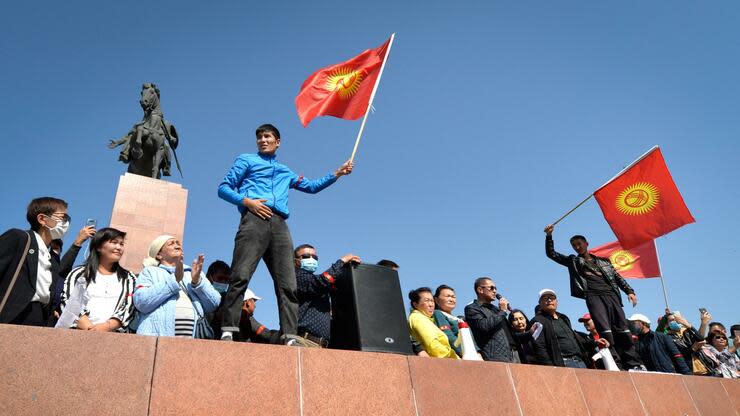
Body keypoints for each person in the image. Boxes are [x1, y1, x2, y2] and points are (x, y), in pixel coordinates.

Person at [217, 123, 353, 343]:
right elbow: (223, 188)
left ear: (277, 141)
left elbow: (311, 186)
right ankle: (228, 327)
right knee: (241, 274)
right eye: (259, 137)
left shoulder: (285, 171)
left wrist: (337, 173)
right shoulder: (246, 160)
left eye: (267, 136)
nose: (262, 140)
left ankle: (289, 334)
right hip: (254, 219)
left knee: (287, 283)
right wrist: (247, 202)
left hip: (280, 225)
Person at [544, 224, 643, 370]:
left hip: (611, 295)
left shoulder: (604, 261)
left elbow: (617, 277)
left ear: (586, 244)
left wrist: (630, 291)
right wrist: (549, 236)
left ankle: (635, 364)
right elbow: (552, 254)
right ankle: (617, 364)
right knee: (605, 330)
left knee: (623, 329)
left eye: (579, 244)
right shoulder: (574, 261)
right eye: (574, 245)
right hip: (593, 296)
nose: (577, 247)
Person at [0, 197, 70, 326]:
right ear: (42, 219)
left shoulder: (52, 260)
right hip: (12, 314)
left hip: (39, 319)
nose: (66, 223)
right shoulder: (19, 238)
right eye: (63, 218)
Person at [133, 235, 221, 338]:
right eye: (171, 243)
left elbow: (213, 304)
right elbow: (141, 302)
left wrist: (197, 282)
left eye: (178, 243)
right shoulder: (149, 272)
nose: (177, 246)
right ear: (159, 255)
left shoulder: (193, 272)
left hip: (192, 343)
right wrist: (174, 280)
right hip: (157, 340)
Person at [59, 228, 136, 332]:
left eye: (121, 244)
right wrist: (90, 329)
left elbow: (129, 307)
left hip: (115, 337)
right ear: (99, 247)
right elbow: (68, 300)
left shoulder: (129, 278)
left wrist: (105, 327)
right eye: (114, 242)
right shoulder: (79, 274)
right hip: (78, 333)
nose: (119, 247)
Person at [294, 243, 360, 348]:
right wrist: (342, 261)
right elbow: (322, 281)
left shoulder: (316, 284)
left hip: (321, 345)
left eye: (314, 257)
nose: (311, 259)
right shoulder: (297, 278)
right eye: (306, 256)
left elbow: (332, 285)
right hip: (304, 342)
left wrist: (347, 269)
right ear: (295, 261)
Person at [530, 289, 588, 368]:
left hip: (580, 361)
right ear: (540, 303)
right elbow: (539, 346)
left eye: (552, 298)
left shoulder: (564, 318)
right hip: (562, 363)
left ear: (557, 302)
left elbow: (573, 338)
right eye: (545, 298)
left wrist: (594, 342)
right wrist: (551, 367)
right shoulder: (537, 320)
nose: (549, 300)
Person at [464, 277, 515, 362]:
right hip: (492, 356)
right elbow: (484, 326)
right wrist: (502, 311)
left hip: (509, 355)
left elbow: (508, 333)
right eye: (491, 288)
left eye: (495, 288)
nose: (494, 291)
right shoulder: (472, 308)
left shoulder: (496, 309)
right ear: (480, 290)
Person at [408, 287, 458, 359]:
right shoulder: (417, 318)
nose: (431, 304)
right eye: (427, 301)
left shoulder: (428, 319)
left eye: (432, 301)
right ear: (415, 304)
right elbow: (433, 345)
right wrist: (455, 357)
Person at [432, 285, 462, 357]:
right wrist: (465, 351)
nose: (451, 299)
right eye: (448, 296)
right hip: (457, 355)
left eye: (453, 297)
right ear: (436, 300)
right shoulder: (438, 313)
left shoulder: (458, 318)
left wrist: (477, 352)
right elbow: (449, 337)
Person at [205, 260, 231, 340]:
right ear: (210, 277)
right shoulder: (200, 295)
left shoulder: (228, 299)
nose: (223, 282)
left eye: (226, 280)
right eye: (220, 278)